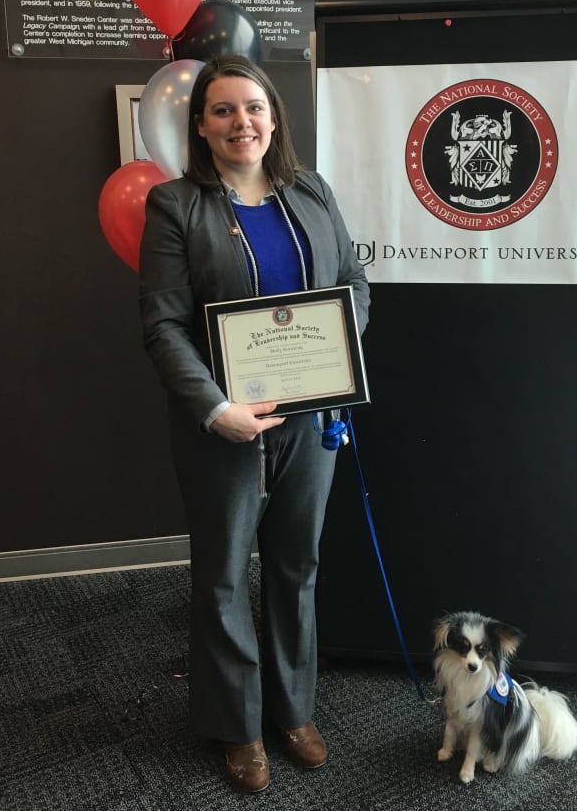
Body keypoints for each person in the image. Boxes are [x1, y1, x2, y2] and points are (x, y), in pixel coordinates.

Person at [138, 54, 369, 794]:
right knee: (223, 577)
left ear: (274, 116)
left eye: (254, 107)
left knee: (297, 565)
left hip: (309, 420)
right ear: (200, 127)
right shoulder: (176, 205)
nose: (243, 122)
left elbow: (353, 285)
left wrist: (340, 358)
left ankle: (292, 708)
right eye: (223, 110)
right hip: (226, 425)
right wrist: (215, 407)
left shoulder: (310, 190)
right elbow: (163, 326)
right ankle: (238, 724)